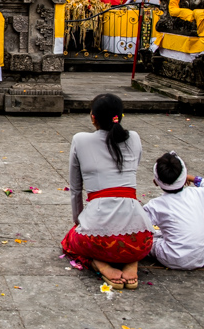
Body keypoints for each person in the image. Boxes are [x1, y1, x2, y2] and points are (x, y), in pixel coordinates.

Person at [60, 93, 152, 290]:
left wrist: (79, 222)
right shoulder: (134, 138)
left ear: (93, 117)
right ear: (120, 116)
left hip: (97, 240)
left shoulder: (80, 140)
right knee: (128, 243)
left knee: (70, 240)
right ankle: (131, 262)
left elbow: (76, 188)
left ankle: (99, 263)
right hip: (140, 240)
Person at [142, 152, 204, 271]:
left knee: (149, 240)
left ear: (155, 182)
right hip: (203, 256)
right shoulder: (197, 194)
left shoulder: (155, 206)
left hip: (174, 258)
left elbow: (139, 225)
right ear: (184, 177)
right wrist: (193, 178)